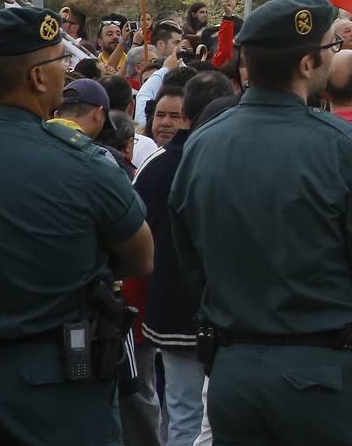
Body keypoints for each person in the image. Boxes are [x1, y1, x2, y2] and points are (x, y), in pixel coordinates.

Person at [170, 0, 352, 443]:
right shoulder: (340, 145)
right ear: (306, 65)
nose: (334, 56)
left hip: (233, 372)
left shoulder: (204, 144)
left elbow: (190, 259)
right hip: (325, 373)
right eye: (330, 48)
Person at [0, 6, 156, 444]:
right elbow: (141, 257)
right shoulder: (84, 162)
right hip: (63, 390)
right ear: (38, 79)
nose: (66, 71)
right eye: (61, 62)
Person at [134, 71, 237, 446]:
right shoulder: (233, 161)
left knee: (183, 412)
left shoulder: (158, 166)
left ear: (188, 115)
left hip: (176, 308)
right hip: (225, 309)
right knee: (210, 415)